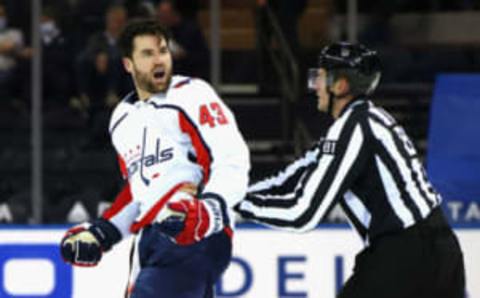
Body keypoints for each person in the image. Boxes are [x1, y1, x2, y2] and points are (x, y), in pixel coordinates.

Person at [235, 42, 465, 298]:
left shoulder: (352, 128)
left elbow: (302, 213)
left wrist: (233, 204)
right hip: (443, 249)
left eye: (320, 77)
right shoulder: (372, 118)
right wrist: (233, 194)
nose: (315, 87)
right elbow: (293, 175)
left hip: (405, 253)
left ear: (340, 85)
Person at [60, 19, 250, 298]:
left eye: (163, 50)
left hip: (193, 238)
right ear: (128, 64)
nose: (159, 59)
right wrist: (103, 232)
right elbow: (140, 193)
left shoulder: (192, 94)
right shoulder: (121, 120)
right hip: (149, 242)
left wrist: (208, 211)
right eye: (147, 54)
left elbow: (232, 160)